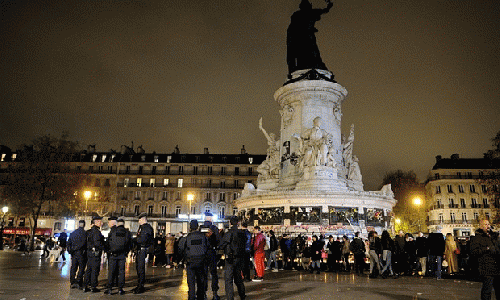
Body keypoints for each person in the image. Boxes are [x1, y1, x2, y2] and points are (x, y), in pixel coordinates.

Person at [286, 0, 333, 74]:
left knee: (310, 51)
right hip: (302, 37)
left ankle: (310, 64)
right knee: (307, 51)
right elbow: (325, 10)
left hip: (303, 37)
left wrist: (329, 5)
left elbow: (325, 10)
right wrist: (329, 5)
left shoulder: (298, 14)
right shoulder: (306, 13)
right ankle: (308, 64)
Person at [470, 219, 500, 300]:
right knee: (487, 289)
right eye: (485, 224)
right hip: (486, 266)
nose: (488, 226)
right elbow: (474, 252)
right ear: (481, 226)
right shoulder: (477, 237)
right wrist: (486, 249)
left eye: (488, 224)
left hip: (496, 266)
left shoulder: (493, 236)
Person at [180, 220, 208, 300]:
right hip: (201, 262)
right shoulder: (203, 237)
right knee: (200, 282)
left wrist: (183, 259)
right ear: (198, 227)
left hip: (190, 262)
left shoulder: (187, 237)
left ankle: (191, 297)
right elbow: (207, 247)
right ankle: (200, 297)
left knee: (191, 282)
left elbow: (181, 248)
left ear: (190, 228)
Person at [219, 216, 246, 300]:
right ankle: (242, 295)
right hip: (240, 258)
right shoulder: (242, 233)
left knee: (228, 279)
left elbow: (221, 245)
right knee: (238, 278)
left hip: (230, 258)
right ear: (238, 223)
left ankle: (230, 297)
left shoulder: (229, 233)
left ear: (230, 223)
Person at [104, 218, 131, 295]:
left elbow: (108, 242)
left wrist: (109, 251)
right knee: (121, 272)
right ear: (124, 224)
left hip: (113, 255)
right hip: (122, 255)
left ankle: (109, 289)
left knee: (111, 272)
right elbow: (130, 244)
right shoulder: (127, 232)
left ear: (117, 224)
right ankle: (120, 289)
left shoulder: (113, 231)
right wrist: (126, 252)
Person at [133, 213, 154, 294]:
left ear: (143, 219)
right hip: (140, 250)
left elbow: (142, 239)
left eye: (139, 220)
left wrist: (134, 240)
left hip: (143, 249)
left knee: (141, 268)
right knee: (138, 268)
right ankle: (139, 285)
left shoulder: (146, 228)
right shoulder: (143, 227)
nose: (138, 221)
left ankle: (141, 286)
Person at [202, 212, 221, 300]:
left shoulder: (201, 228)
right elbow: (218, 241)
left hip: (203, 253)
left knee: (204, 274)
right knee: (214, 274)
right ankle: (215, 294)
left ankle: (204, 294)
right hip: (212, 253)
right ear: (210, 218)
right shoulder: (214, 228)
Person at [83, 216, 105, 293]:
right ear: (97, 222)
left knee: (88, 270)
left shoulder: (90, 231)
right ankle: (93, 286)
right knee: (95, 270)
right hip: (95, 254)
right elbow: (97, 243)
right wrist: (103, 247)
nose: (101, 223)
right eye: (100, 222)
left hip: (89, 253)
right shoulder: (96, 232)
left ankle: (85, 286)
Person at [68, 220, 87, 289]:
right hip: (81, 253)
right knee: (81, 268)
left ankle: (72, 281)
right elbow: (84, 243)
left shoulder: (73, 233)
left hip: (74, 253)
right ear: (84, 225)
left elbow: (69, 243)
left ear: (78, 224)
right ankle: (79, 281)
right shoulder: (85, 233)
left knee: (73, 267)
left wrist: (71, 251)